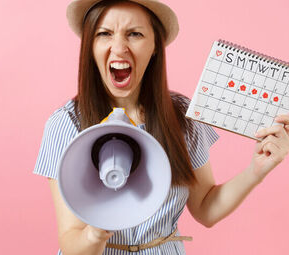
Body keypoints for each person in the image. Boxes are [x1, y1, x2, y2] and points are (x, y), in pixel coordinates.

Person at [33, 0, 289, 254]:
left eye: (135, 34)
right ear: (90, 46)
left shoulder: (181, 116)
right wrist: (96, 230)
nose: (119, 48)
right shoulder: (65, 124)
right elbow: (71, 243)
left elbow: (206, 208)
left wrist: (256, 171)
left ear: (155, 46)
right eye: (104, 34)